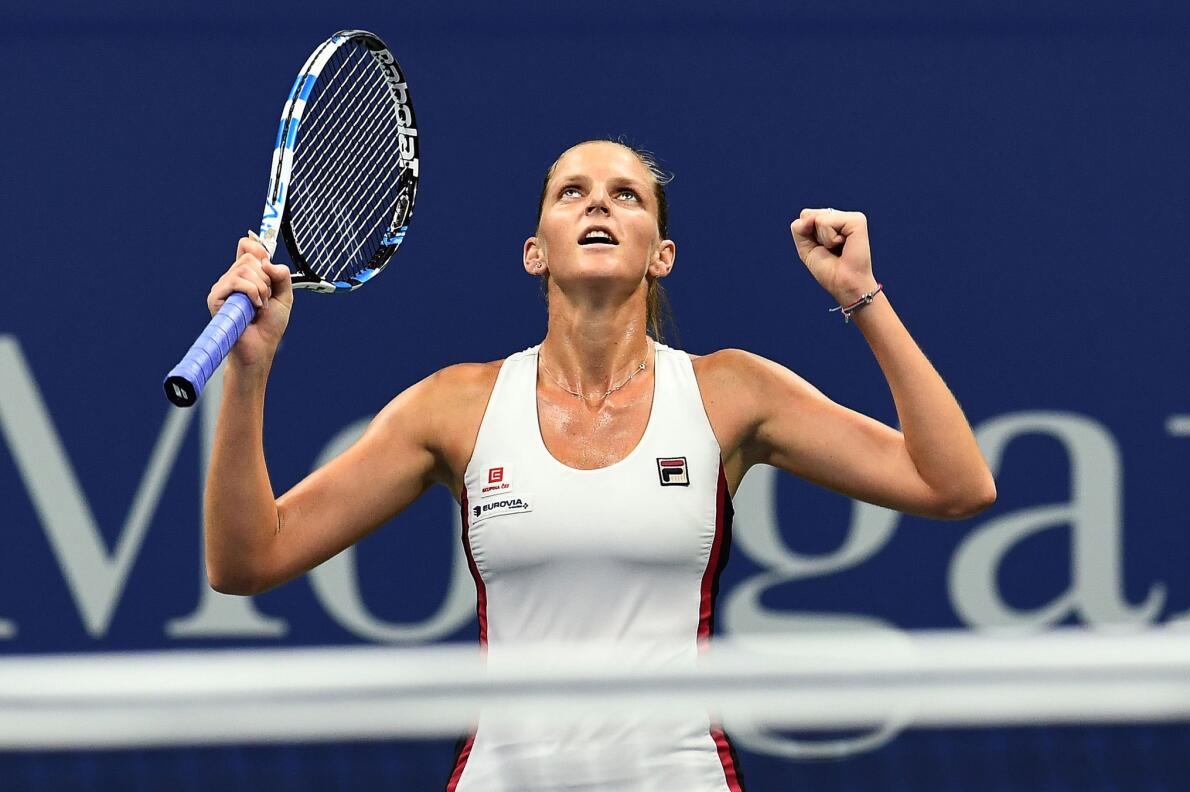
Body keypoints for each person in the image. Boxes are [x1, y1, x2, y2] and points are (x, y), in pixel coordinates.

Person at [204, 139, 997, 791]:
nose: (597, 204)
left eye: (626, 196)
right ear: (534, 252)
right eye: (571, 192)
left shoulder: (729, 393)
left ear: (662, 255)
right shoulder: (455, 407)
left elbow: (955, 484)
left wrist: (862, 294)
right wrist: (250, 372)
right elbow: (247, 560)